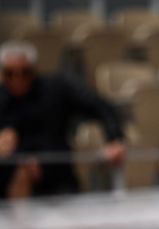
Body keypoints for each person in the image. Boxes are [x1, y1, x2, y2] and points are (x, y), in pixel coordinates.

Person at [0, 40, 125, 200]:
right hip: (10, 191)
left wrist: (114, 139)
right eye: (11, 73)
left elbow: (101, 106)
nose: (18, 80)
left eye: (25, 72)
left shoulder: (55, 89)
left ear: (34, 70)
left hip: (59, 182)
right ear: (3, 74)